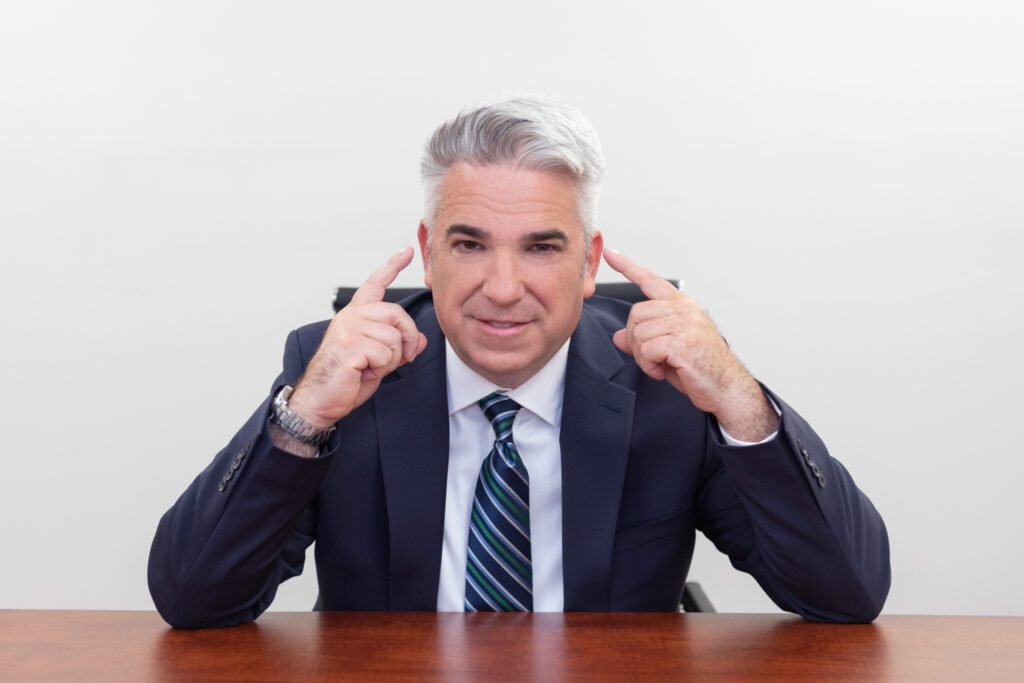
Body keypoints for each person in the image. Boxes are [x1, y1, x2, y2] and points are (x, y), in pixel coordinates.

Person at [148, 96, 890, 628]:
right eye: (469, 244)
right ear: (430, 251)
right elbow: (192, 599)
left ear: (590, 261)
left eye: (542, 246)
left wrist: (735, 393)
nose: (503, 290)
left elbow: (846, 594)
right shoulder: (340, 372)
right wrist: (304, 414)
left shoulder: (666, 386)